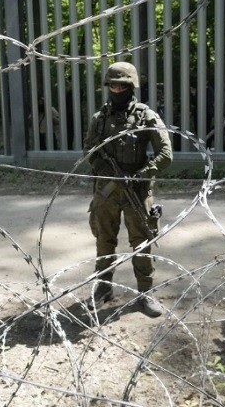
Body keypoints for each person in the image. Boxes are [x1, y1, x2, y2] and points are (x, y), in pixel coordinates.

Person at [83, 61, 174, 317]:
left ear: (131, 86)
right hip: (107, 190)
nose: (116, 88)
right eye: (112, 84)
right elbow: (89, 151)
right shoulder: (99, 119)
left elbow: (165, 155)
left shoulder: (146, 116)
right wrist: (105, 168)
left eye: (121, 85)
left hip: (137, 190)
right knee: (104, 240)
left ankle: (145, 293)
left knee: (142, 243)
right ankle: (103, 287)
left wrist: (139, 175)